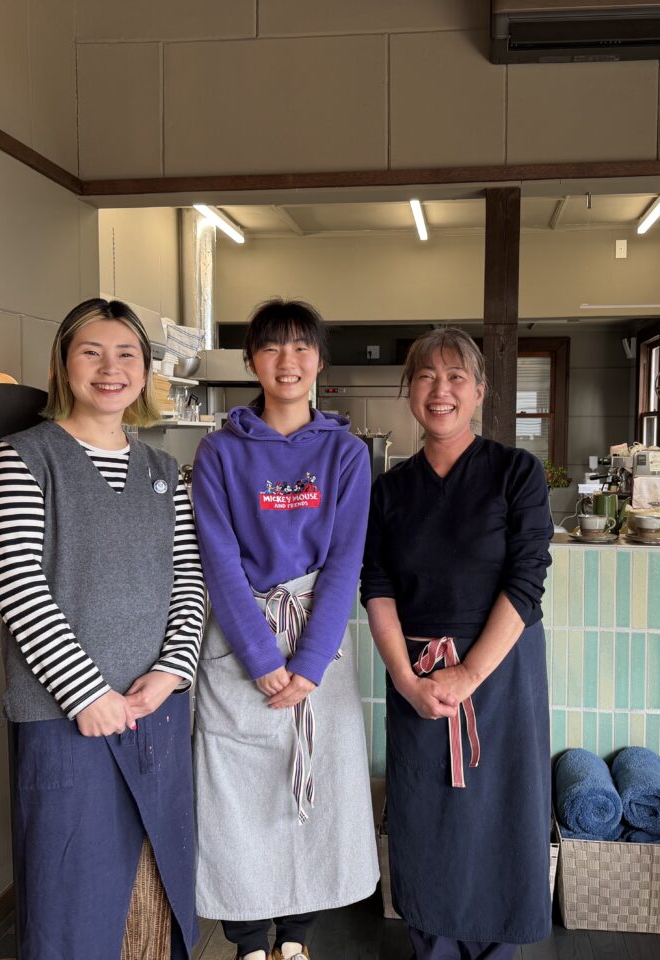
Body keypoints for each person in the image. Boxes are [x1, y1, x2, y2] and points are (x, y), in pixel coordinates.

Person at [0, 298, 203, 959]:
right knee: (71, 899)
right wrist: (87, 694)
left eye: (126, 354)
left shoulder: (164, 471)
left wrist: (171, 672)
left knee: (156, 894)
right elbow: (17, 587)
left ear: (144, 370)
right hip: (64, 718)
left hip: (156, 712)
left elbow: (189, 581)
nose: (111, 369)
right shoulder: (25, 459)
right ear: (63, 364)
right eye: (92, 352)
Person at [191, 299, 379, 960]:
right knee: (237, 795)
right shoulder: (218, 453)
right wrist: (261, 656)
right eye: (273, 348)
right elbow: (218, 561)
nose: (288, 361)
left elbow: (344, 562)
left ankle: (296, 940)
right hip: (240, 643)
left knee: (313, 789)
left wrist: (308, 663)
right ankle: (245, 942)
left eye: (302, 347)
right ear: (252, 362)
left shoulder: (347, 454)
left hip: (317, 646)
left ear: (320, 361)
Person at [361, 327, 553, 960]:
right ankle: (434, 949)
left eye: (455, 377)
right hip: (415, 676)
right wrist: (407, 682)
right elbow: (378, 587)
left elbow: (526, 583)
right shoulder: (386, 491)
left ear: (479, 392)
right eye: (425, 377)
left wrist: (467, 675)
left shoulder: (515, 472)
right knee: (426, 817)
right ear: (408, 391)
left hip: (500, 674)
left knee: (500, 814)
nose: (439, 390)